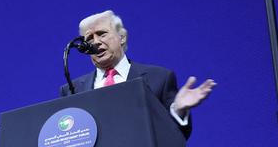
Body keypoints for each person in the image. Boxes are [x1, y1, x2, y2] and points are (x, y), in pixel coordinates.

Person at [60, 10, 214, 138]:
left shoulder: (159, 78)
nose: (95, 42)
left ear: (121, 37)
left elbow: (175, 137)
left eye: (102, 34)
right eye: (89, 39)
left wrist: (178, 110)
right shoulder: (72, 90)